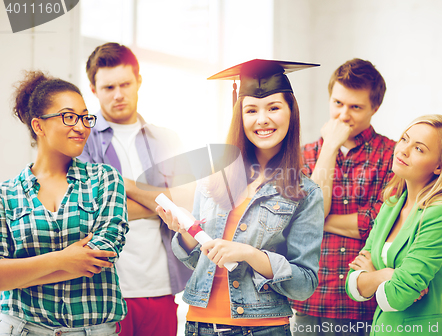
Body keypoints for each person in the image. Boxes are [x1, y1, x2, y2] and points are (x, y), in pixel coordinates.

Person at [156, 59, 325, 336]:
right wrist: (185, 232)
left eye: (273, 108)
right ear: (240, 116)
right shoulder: (214, 178)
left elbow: (304, 284)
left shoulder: (306, 193)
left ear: (291, 113)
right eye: (251, 110)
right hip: (199, 326)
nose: (262, 119)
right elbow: (199, 260)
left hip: (261, 329)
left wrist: (250, 254)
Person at [0, 71, 128, 335]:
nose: (81, 127)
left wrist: (19, 274)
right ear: (39, 126)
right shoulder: (6, 194)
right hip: (21, 328)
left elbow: (100, 257)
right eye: (69, 117)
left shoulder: (105, 179)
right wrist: (63, 259)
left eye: (85, 117)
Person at [78, 42, 193, 336]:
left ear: (139, 81)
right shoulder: (81, 141)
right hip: (105, 291)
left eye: (125, 84)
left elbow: (188, 201)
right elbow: (89, 212)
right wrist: (163, 201)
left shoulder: (167, 138)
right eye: (108, 87)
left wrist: (124, 185)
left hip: (161, 286)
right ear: (93, 89)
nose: (118, 94)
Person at [290, 58, 396, 336]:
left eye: (355, 107)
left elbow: (377, 224)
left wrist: (315, 220)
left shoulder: (394, 156)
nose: (343, 115)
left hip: (364, 304)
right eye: (337, 103)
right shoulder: (305, 155)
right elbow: (301, 222)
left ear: (375, 107)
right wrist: (330, 149)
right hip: (309, 302)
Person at [345, 114, 442, 335]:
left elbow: (398, 296)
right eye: (404, 139)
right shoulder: (391, 205)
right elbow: (352, 284)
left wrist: (373, 276)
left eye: (419, 148)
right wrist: (388, 275)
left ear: (439, 166)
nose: (403, 149)